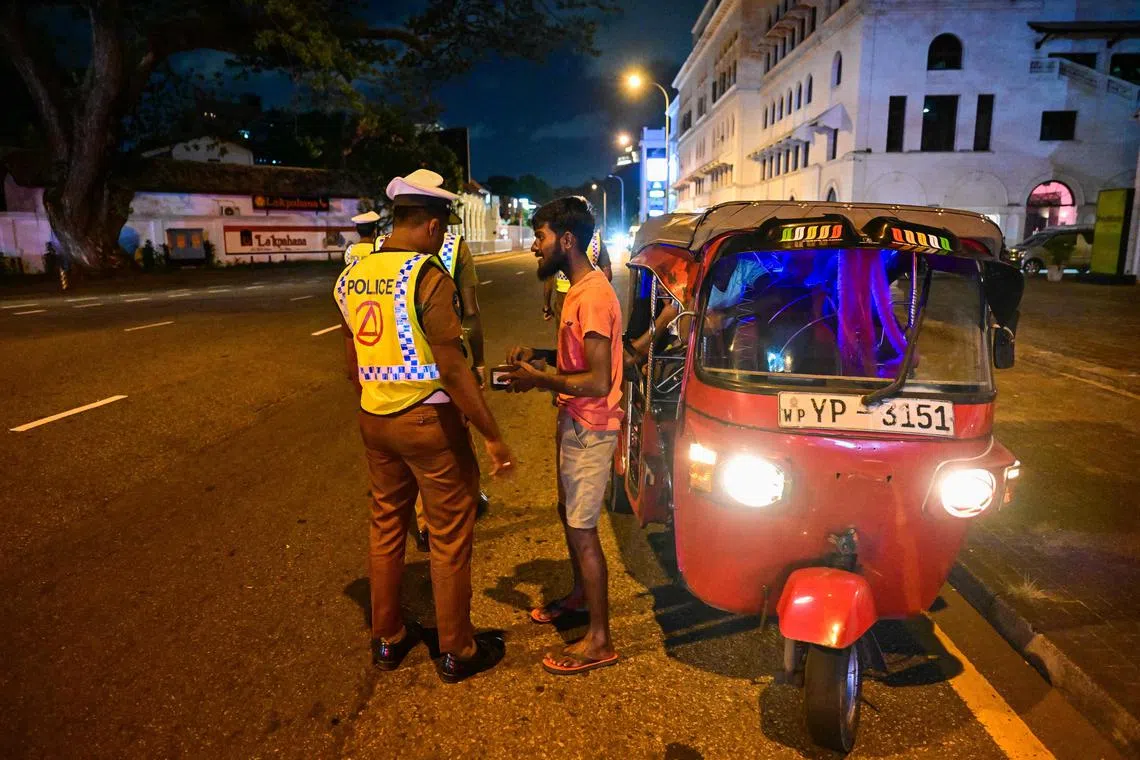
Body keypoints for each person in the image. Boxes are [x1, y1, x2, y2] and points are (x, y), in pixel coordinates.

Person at [334, 170, 513, 683]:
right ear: (432, 225)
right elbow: (454, 368)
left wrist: (379, 403)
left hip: (375, 419)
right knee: (449, 536)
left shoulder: (351, 277)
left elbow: (353, 365)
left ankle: (387, 639)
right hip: (428, 421)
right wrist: (491, 433)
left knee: (387, 526)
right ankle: (458, 649)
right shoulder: (426, 276)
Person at [505, 196, 624, 675]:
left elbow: (596, 380)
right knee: (567, 514)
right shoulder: (575, 289)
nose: (536, 246)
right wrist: (537, 353)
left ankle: (600, 640)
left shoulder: (593, 295)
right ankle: (579, 596)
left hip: (591, 427)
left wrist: (538, 379)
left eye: (541, 236)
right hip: (573, 420)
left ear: (567, 240)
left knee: (582, 528)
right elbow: (576, 358)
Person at [373, 170, 490, 552]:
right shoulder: (453, 249)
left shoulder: (374, 254)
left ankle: (421, 524)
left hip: (380, 396)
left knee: (386, 522)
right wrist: (478, 363)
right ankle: (451, 510)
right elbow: (470, 313)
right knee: (450, 525)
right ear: (435, 221)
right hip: (436, 384)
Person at [543, 225, 612, 328]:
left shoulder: (559, 239)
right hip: (590, 295)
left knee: (566, 336)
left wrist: (546, 306)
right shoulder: (596, 239)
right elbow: (608, 274)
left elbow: (548, 279)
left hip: (564, 296)